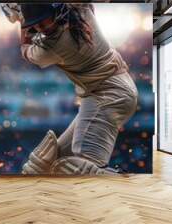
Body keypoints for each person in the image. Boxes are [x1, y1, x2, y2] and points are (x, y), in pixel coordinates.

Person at [10, 3, 138, 175]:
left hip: (107, 95)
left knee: (80, 168)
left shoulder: (53, 47)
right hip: (110, 93)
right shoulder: (81, 11)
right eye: (36, 24)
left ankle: (123, 190)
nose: (40, 28)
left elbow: (25, 50)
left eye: (42, 22)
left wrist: (21, 19)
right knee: (48, 164)